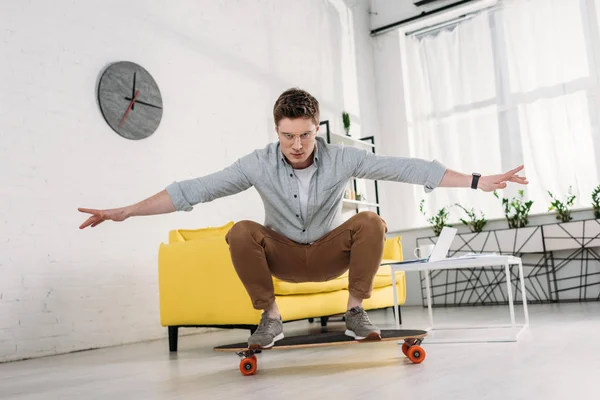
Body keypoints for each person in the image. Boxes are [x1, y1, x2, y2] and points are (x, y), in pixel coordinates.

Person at [79, 88, 528, 350]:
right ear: (276, 131)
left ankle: (355, 311)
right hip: (284, 256)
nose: (297, 145)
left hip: (332, 253)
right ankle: (269, 318)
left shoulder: (342, 158)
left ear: (317, 128)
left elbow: (405, 167)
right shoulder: (256, 163)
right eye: (287, 136)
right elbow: (193, 190)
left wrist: (475, 180)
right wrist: (126, 211)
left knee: (372, 222)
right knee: (240, 231)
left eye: (306, 135)